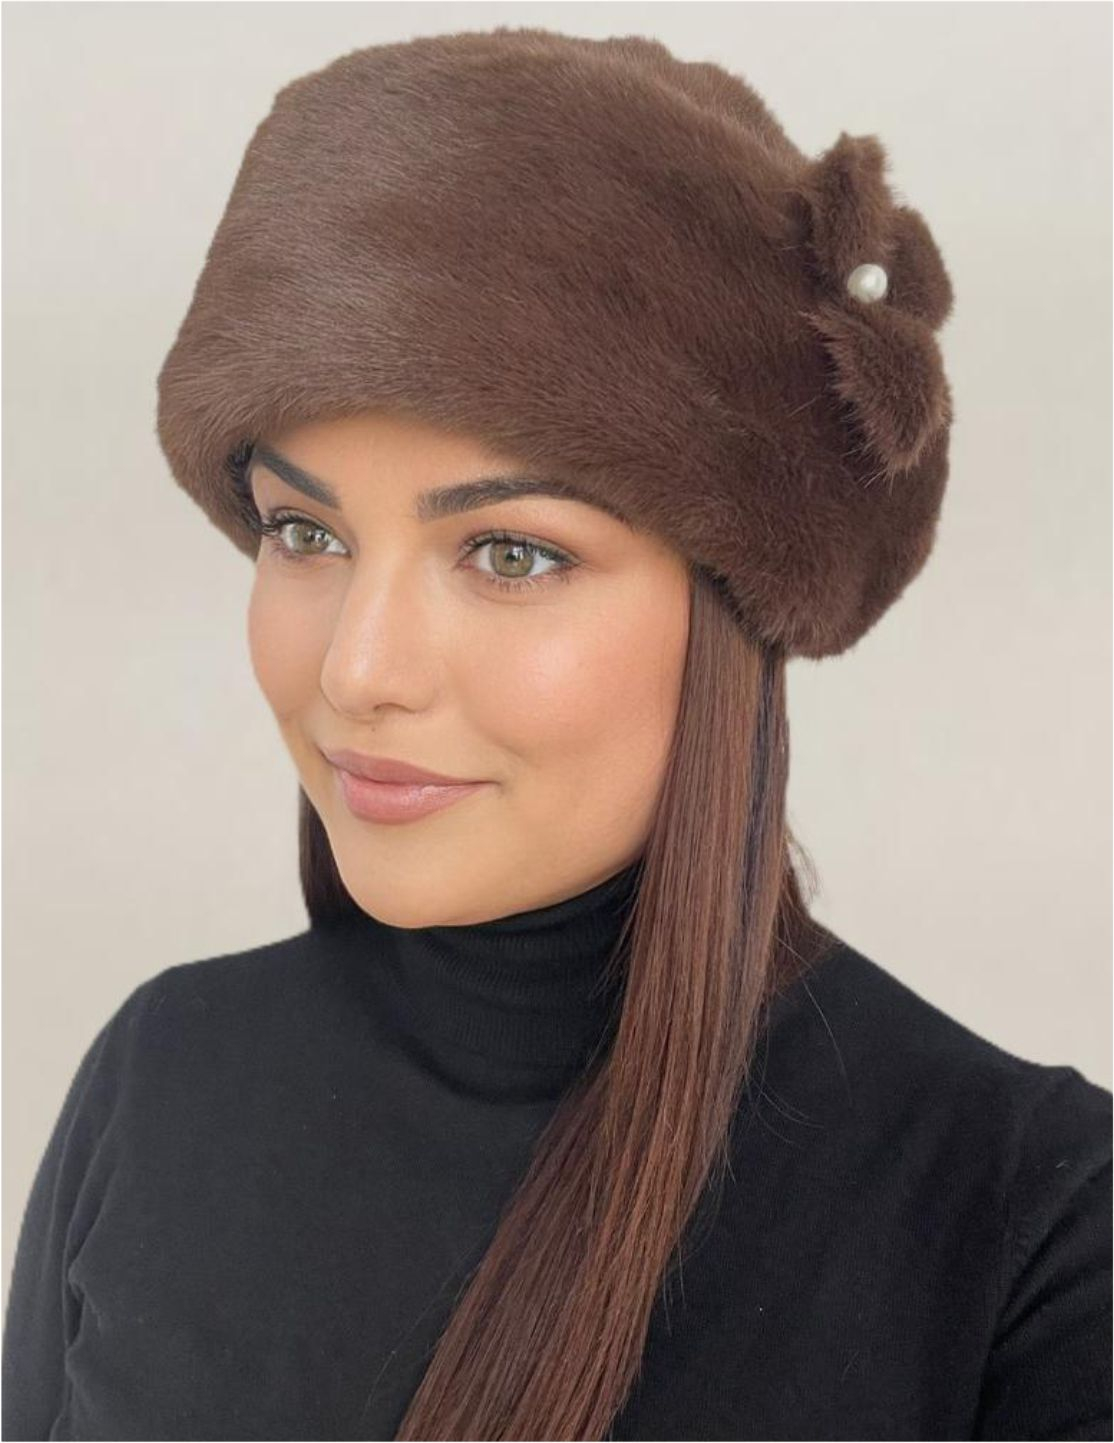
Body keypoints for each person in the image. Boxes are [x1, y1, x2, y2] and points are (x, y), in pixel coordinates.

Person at [3, 27, 1110, 1443]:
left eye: (510, 554)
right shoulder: (164, 1081)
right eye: (303, 532)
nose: (358, 669)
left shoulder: (1026, 1228)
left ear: (732, 608)